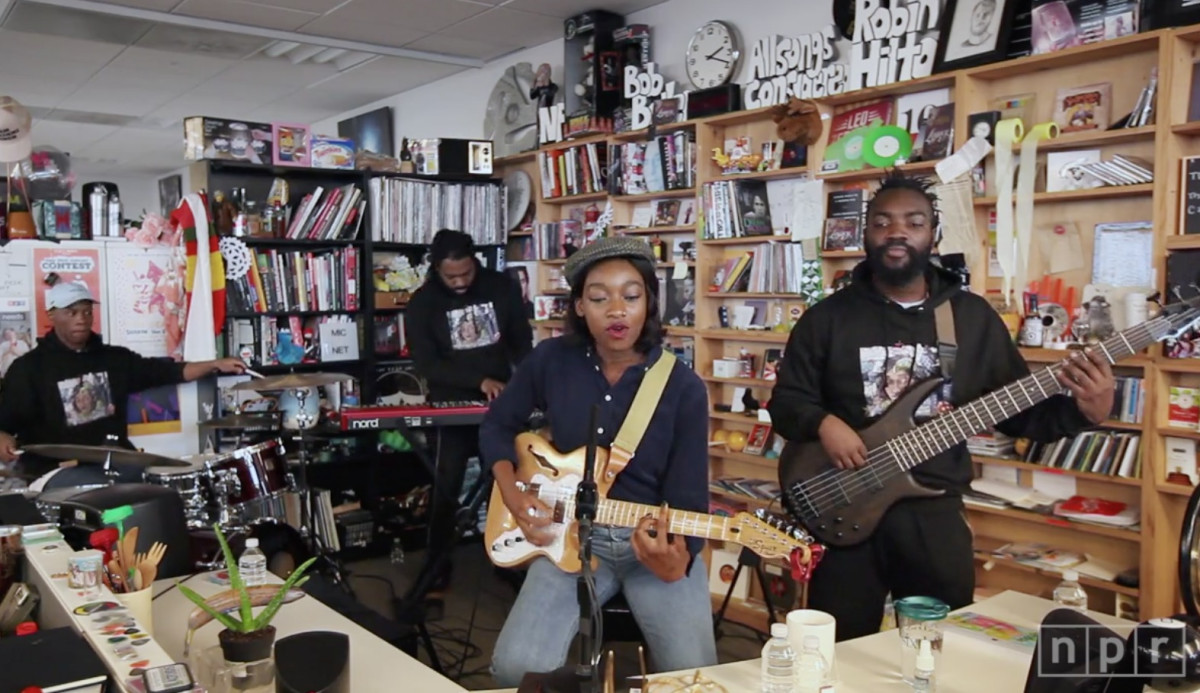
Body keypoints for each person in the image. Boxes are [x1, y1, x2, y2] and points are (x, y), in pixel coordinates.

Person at [768, 171, 1115, 642]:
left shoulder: (971, 318)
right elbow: (787, 401)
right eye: (883, 222)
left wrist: (1084, 412)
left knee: (943, 644)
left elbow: (1018, 411)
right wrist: (824, 423)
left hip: (933, 513)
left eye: (913, 222)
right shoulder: (826, 318)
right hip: (842, 504)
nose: (897, 232)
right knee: (839, 650)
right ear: (866, 233)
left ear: (934, 234)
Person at [482, 237, 717, 686]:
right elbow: (497, 425)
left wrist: (678, 560)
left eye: (631, 296)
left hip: (649, 540)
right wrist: (512, 495)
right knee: (515, 670)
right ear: (578, 307)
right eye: (598, 297)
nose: (616, 310)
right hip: (566, 533)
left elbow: (689, 498)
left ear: (649, 303)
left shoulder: (683, 387)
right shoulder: (551, 360)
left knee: (695, 679)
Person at [0, 282, 246, 487]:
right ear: (52, 315)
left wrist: (215, 364)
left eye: (87, 312)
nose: (82, 319)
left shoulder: (114, 358)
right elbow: (5, 424)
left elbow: (165, 372)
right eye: (72, 312)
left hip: (114, 465)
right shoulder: (28, 369)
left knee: (155, 490)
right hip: (55, 472)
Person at [406, 229, 533, 588]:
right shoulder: (422, 304)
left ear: (475, 262)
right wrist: (480, 383)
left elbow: (520, 340)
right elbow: (428, 364)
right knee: (446, 483)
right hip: (452, 401)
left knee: (508, 479)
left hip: (503, 402)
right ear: (436, 269)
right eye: (451, 277)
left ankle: (508, 557)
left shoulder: (501, 288)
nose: (460, 282)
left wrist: (528, 382)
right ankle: (436, 565)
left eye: (466, 273)